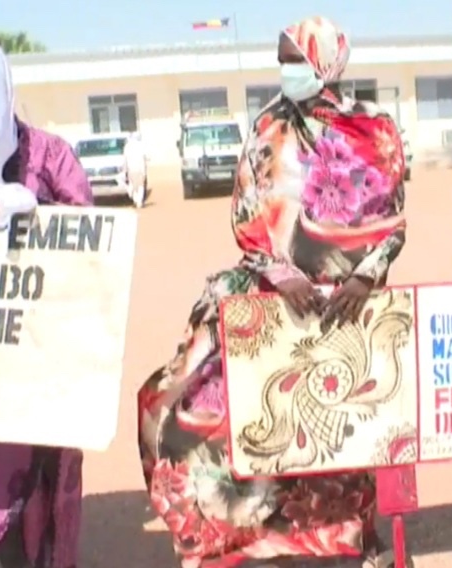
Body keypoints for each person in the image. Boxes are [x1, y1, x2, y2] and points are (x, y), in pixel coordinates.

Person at [137, 16, 406, 568]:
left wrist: (363, 275)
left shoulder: (374, 129)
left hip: (349, 306)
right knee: (211, 411)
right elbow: (246, 207)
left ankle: (349, 536)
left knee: (344, 428)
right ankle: (248, 537)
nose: (287, 70)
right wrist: (280, 272)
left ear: (325, 62)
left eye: (295, 59)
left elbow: (393, 218)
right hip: (273, 299)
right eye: (282, 59)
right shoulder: (267, 126)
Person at [0, 42, 93, 568]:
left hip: (37, 360)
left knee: (33, 489)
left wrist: (38, 214)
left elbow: (93, 244)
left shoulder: (48, 155)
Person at [123, 131, 147, 208]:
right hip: (140, 169)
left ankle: (136, 200)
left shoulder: (127, 146)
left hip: (131, 170)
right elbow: (146, 157)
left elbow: (125, 160)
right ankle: (139, 201)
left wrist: (125, 170)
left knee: (133, 185)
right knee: (140, 186)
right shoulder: (141, 145)